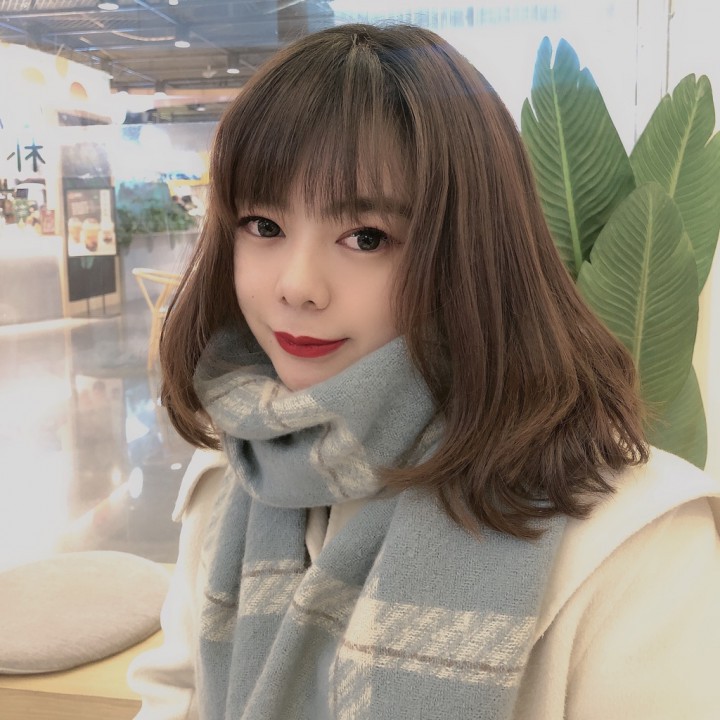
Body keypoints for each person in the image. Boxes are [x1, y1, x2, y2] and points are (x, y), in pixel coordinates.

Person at [128, 23, 720, 720]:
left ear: (475, 251)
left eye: (366, 237)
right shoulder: (239, 472)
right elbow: (181, 694)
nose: (297, 285)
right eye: (263, 225)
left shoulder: (636, 534)